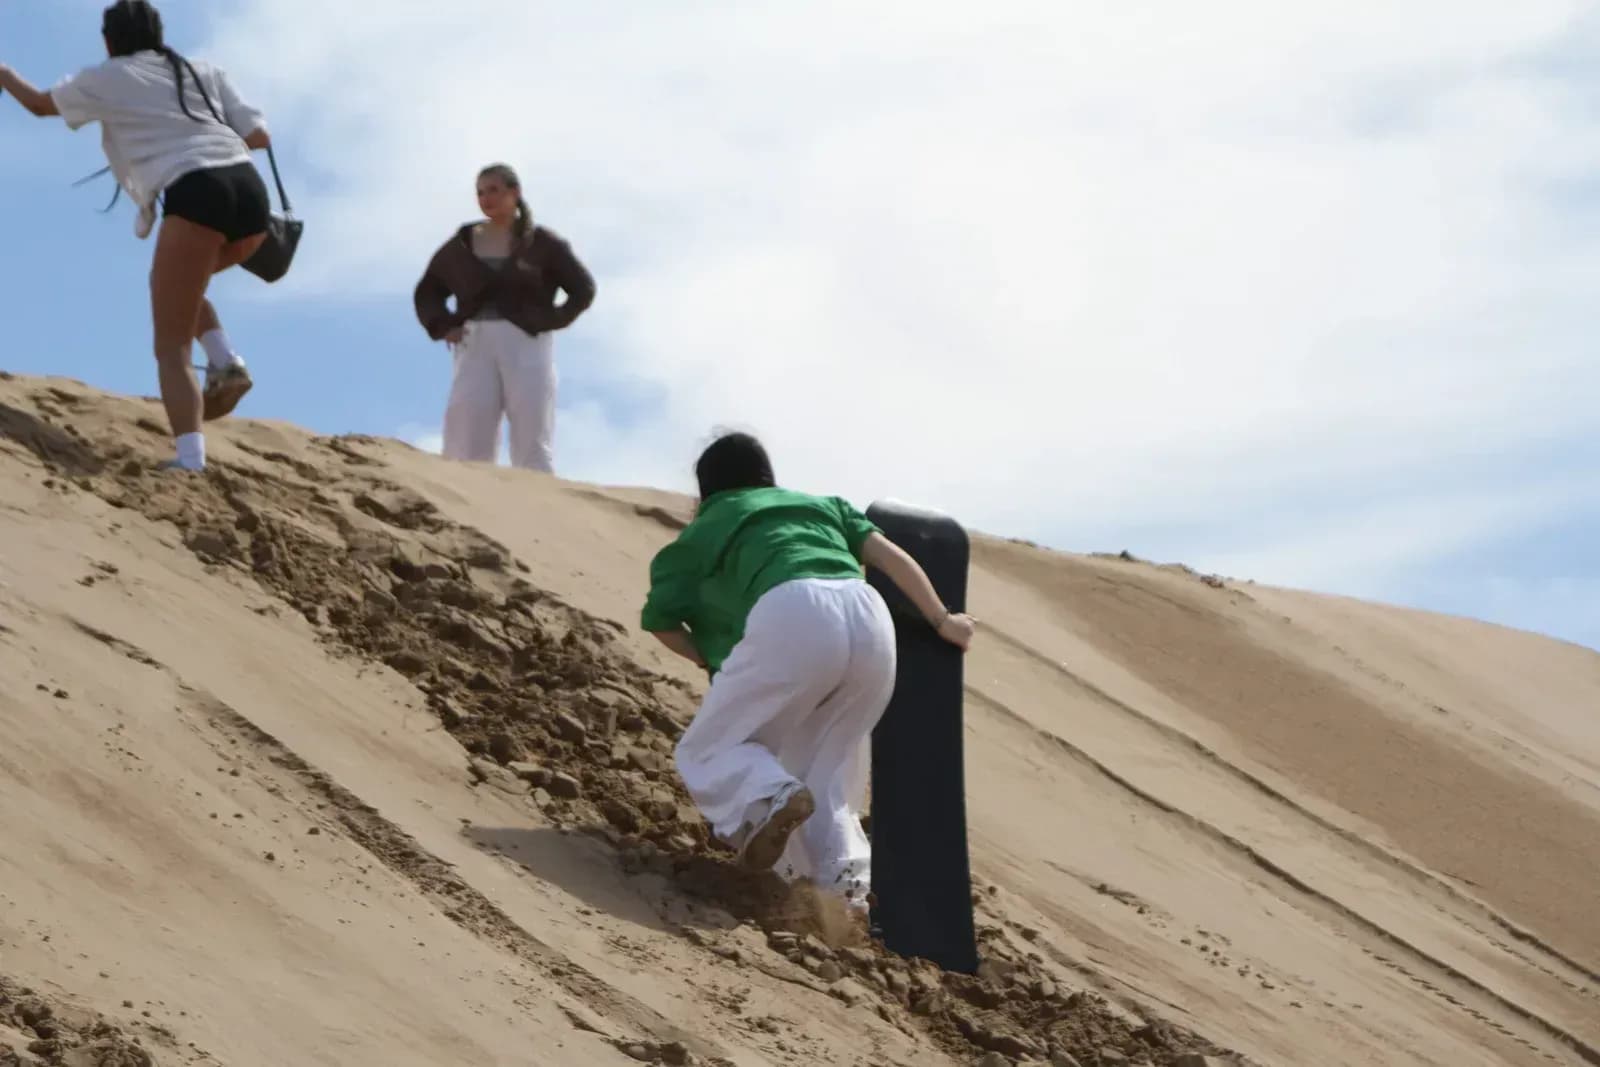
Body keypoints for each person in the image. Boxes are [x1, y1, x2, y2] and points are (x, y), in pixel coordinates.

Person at [640, 432, 977, 914]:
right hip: (871, 620)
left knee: (709, 748)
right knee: (828, 774)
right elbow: (891, 558)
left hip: (793, 613)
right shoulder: (822, 506)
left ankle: (766, 798)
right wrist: (945, 620)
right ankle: (846, 896)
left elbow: (661, 622)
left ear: (706, 493)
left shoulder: (706, 526)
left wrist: (709, 660)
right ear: (768, 478)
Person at [0, 0, 271, 471]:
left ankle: (191, 459)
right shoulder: (201, 69)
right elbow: (260, 135)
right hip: (251, 195)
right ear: (159, 33)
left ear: (109, 41)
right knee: (177, 291)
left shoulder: (107, 76)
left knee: (171, 345)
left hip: (197, 192)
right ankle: (225, 358)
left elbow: (42, 105)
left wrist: (3, 72)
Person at [413, 164, 596, 474]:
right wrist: (444, 326)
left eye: (494, 190)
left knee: (531, 431)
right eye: (480, 192)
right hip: (474, 342)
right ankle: (463, 503)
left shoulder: (542, 243)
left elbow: (582, 288)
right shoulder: (462, 244)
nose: (486, 198)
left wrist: (548, 320)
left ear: (515, 193)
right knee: (467, 430)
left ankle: (538, 508)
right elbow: (428, 291)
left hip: (526, 341)